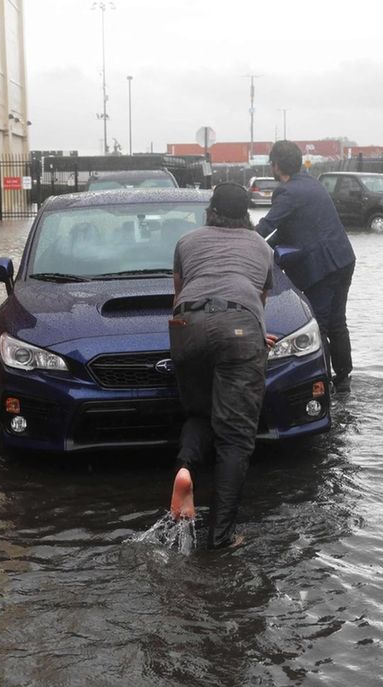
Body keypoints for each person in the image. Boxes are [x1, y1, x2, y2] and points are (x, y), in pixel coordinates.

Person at [168, 183, 277, 550]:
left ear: (210, 209)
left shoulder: (186, 242)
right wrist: (251, 336)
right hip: (240, 327)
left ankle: (184, 470)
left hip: (187, 326)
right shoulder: (262, 248)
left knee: (199, 413)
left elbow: (179, 296)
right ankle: (220, 537)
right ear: (247, 214)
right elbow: (257, 305)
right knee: (234, 437)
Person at [254, 140, 357, 390]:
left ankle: (320, 383)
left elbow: (268, 226)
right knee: (337, 322)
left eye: (271, 162)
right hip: (343, 259)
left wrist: (241, 240)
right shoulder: (312, 184)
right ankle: (343, 377)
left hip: (322, 267)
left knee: (318, 324)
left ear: (276, 165)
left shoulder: (287, 192)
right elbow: (286, 228)